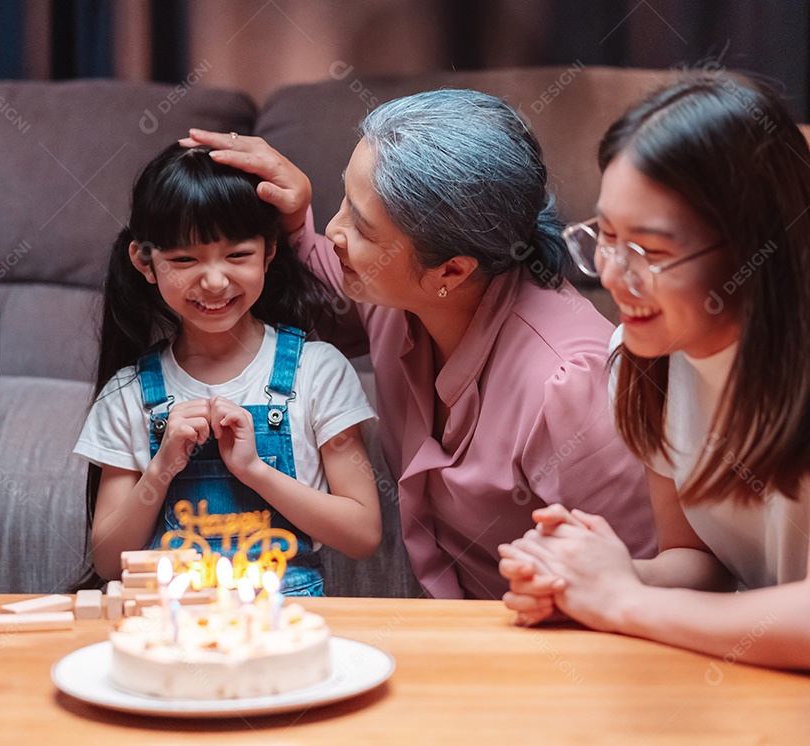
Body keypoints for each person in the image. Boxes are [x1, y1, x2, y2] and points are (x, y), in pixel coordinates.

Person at [183, 88, 656, 600]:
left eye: (360, 226)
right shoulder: (400, 292)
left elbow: (639, 580)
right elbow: (313, 303)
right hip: (440, 628)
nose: (335, 231)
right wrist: (295, 219)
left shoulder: (571, 386)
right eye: (342, 199)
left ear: (450, 270)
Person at [498, 76, 810, 669]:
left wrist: (623, 604)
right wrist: (594, 578)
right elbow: (703, 564)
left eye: (650, 251)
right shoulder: (644, 359)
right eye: (607, 237)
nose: (613, 275)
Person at [73, 143, 380, 595]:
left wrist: (255, 469)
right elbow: (109, 560)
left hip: (285, 625)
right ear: (144, 262)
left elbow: (363, 534)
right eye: (184, 259)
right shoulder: (129, 393)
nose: (214, 281)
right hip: (172, 630)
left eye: (237, 255)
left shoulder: (318, 372)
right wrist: (162, 467)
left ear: (269, 250)